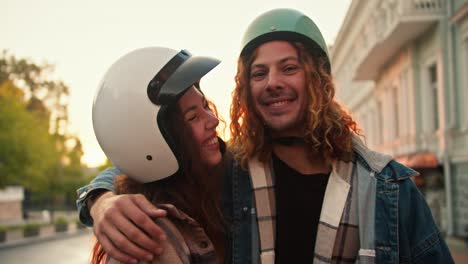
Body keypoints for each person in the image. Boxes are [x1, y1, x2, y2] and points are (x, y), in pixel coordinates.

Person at [77, 9, 454, 264]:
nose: (273, 83)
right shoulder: (231, 170)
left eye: (289, 67)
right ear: (245, 89)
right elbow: (154, 165)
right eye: (259, 73)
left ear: (318, 79)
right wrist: (101, 200)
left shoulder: (390, 186)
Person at [87, 46, 228, 263]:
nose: (214, 120)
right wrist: (99, 201)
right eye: (193, 118)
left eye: (205, 106)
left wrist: (98, 198)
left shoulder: (220, 184)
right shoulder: (149, 240)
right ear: (153, 142)